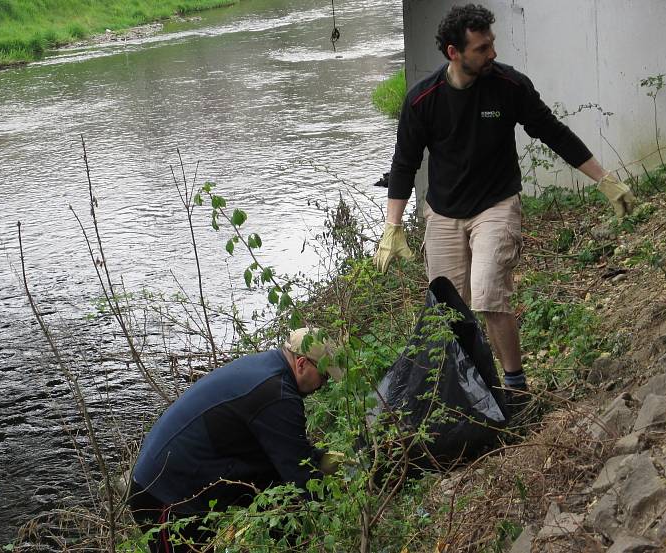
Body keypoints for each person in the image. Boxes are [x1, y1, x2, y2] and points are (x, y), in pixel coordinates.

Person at [374, 3, 635, 410]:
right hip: (444, 212)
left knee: (489, 292)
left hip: (495, 204)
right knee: (446, 310)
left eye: (491, 44)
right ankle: (469, 391)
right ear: (453, 52)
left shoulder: (508, 87)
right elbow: (404, 163)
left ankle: (516, 392)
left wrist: (603, 179)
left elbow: (554, 132)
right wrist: (392, 227)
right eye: (481, 48)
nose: (492, 54)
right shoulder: (422, 99)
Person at [127, 327, 344, 552]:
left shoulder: (269, 370)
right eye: (324, 376)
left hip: (190, 479)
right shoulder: (276, 394)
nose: (323, 385)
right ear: (301, 364)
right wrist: (339, 516)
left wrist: (324, 460)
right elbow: (301, 477)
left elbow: (287, 452)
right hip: (164, 493)